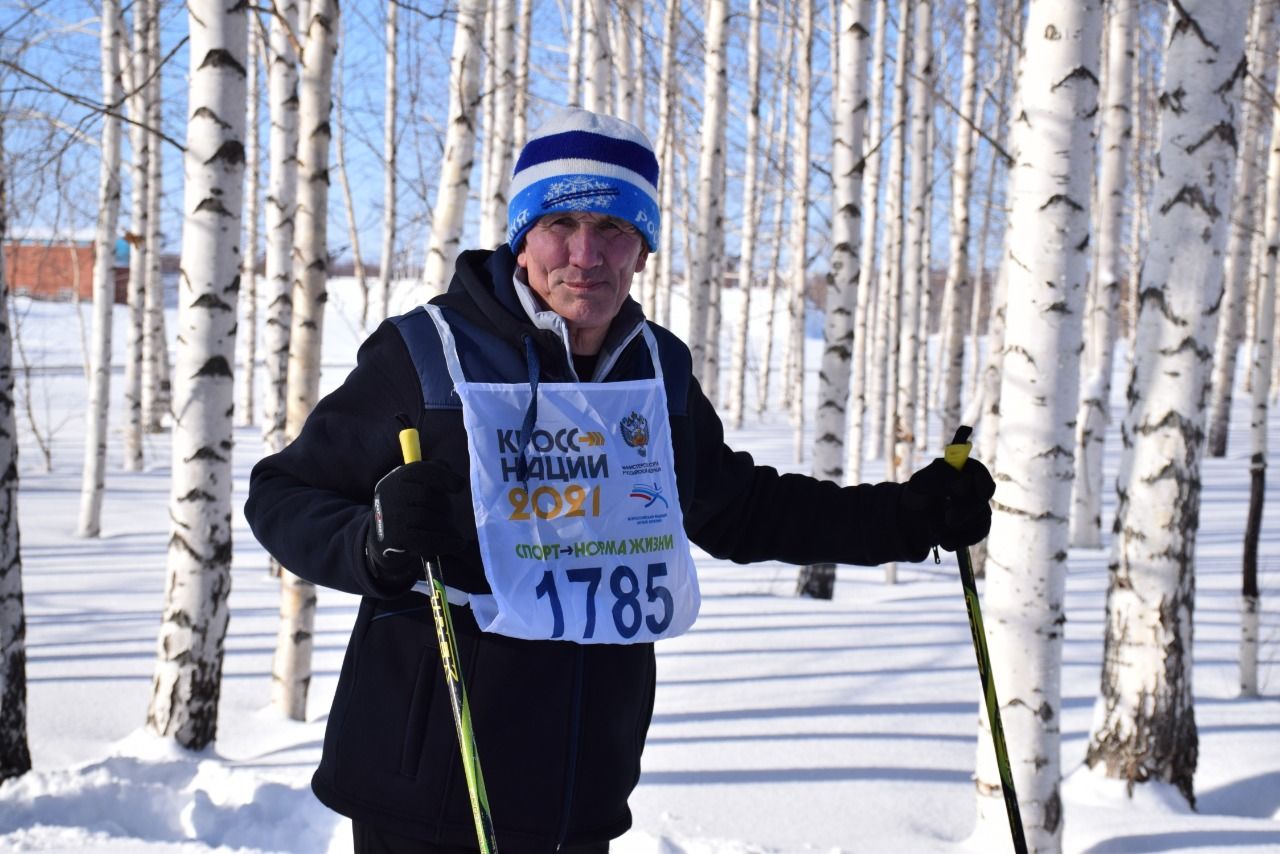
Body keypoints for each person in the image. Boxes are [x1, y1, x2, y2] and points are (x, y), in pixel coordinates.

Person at [244, 108, 995, 854]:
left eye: (613, 229)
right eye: (559, 223)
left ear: (643, 248)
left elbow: (740, 509)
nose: (584, 255)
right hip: (430, 781)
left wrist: (907, 517)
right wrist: (374, 541)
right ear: (521, 234)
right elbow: (283, 494)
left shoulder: (656, 368)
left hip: (580, 789)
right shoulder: (427, 352)